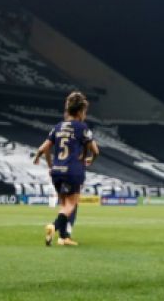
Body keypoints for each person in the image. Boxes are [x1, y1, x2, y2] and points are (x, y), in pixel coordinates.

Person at [33, 91, 99, 247]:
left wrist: (49, 165)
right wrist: (91, 159)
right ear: (80, 111)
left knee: (64, 205)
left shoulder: (58, 127)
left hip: (57, 171)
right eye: (84, 112)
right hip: (73, 170)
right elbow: (96, 151)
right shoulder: (82, 127)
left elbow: (43, 149)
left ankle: (63, 237)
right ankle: (54, 226)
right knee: (71, 204)